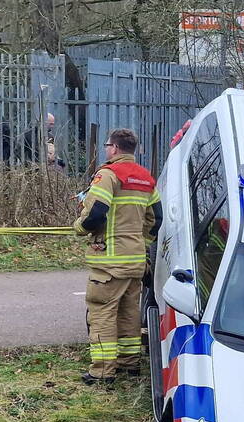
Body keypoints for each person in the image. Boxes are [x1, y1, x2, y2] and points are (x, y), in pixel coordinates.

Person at [72, 128, 163, 385]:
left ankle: (102, 372)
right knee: (128, 312)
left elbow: (96, 214)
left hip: (109, 261)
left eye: (106, 146)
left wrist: (79, 227)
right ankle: (129, 364)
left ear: (113, 148)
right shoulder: (147, 179)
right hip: (135, 261)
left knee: (102, 312)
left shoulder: (108, 175)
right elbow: (156, 220)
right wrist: (140, 244)